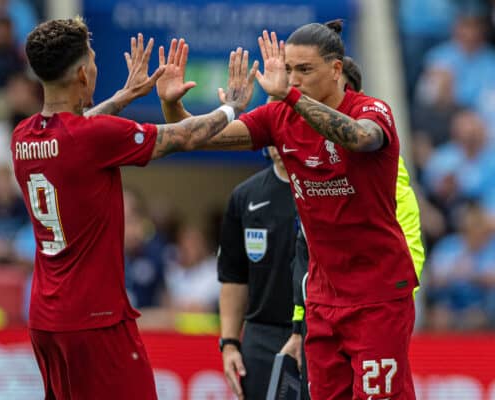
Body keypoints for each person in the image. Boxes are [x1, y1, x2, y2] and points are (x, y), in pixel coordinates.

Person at [157, 21, 419, 399]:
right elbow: (195, 138)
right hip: (323, 298)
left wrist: (291, 97)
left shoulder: (372, 110)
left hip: (377, 295)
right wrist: (172, 104)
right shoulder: (279, 118)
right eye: (290, 69)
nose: (293, 80)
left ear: (335, 69)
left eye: (305, 70)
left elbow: (362, 138)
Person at [12, 17, 258, 399]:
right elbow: (185, 137)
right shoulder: (92, 138)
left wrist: (122, 98)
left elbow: (73, 130)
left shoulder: (23, 137)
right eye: (92, 60)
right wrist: (233, 108)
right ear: (82, 74)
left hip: (46, 320)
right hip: (96, 320)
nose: (95, 67)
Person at [279, 56, 426, 400]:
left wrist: (392, 306)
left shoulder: (384, 168)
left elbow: (409, 237)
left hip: (377, 304)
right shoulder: (308, 166)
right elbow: (307, 251)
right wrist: (301, 319)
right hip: (324, 307)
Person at [217, 144, 297, 399]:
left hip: (315, 332)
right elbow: (233, 277)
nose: (281, 144)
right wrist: (229, 344)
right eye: (273, 136)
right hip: (262, 336)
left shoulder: (327, 189)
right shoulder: (245, 196)